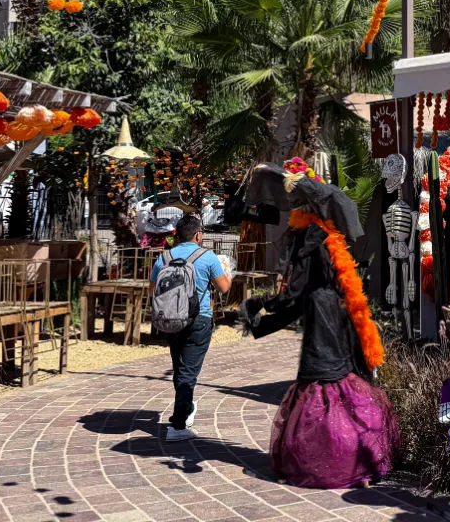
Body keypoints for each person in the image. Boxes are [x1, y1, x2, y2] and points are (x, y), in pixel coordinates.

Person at [240, 161, 398, 488]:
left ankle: (333, 462)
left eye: (297, 198)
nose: (293, 203)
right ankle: (361, 453)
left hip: (320, 318)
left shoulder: (310, 236)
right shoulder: (329, 234)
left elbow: (295, 293)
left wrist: (260, 305)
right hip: (338, 318)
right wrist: (263, 321)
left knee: (323, 388)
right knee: (343, 383)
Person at [149, 214, 231, 442]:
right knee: (188, 372)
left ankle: (185, 405)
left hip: (171, 320)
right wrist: (228, 270)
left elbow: (153, 290)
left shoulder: (164, 257)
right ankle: (178, 424)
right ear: (198, 235)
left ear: (176, 236)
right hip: (199, 319)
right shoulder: (208, 257)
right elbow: (224, 288)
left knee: (180, 368)